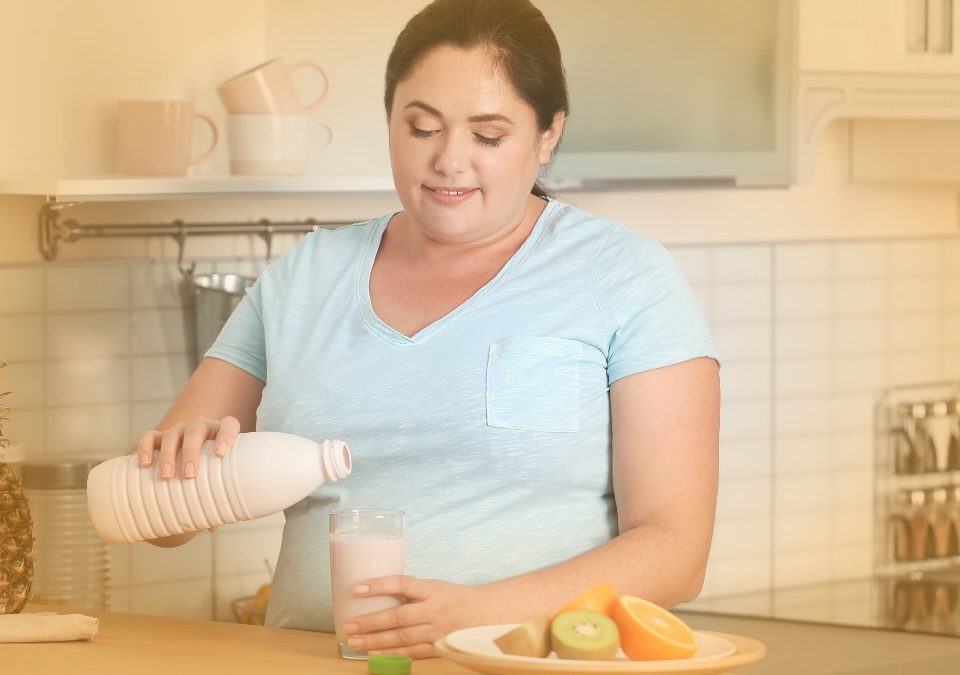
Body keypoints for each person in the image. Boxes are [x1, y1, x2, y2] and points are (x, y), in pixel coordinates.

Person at [135, 0, 720, 659]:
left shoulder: (625, 276)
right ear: (390, 119)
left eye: (488, 136)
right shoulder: (303, 277)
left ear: (549, 133)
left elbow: (675, 549)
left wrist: (474, 614)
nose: (449, 160)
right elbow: (164, 525)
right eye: (421, 127)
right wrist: (177, 467)